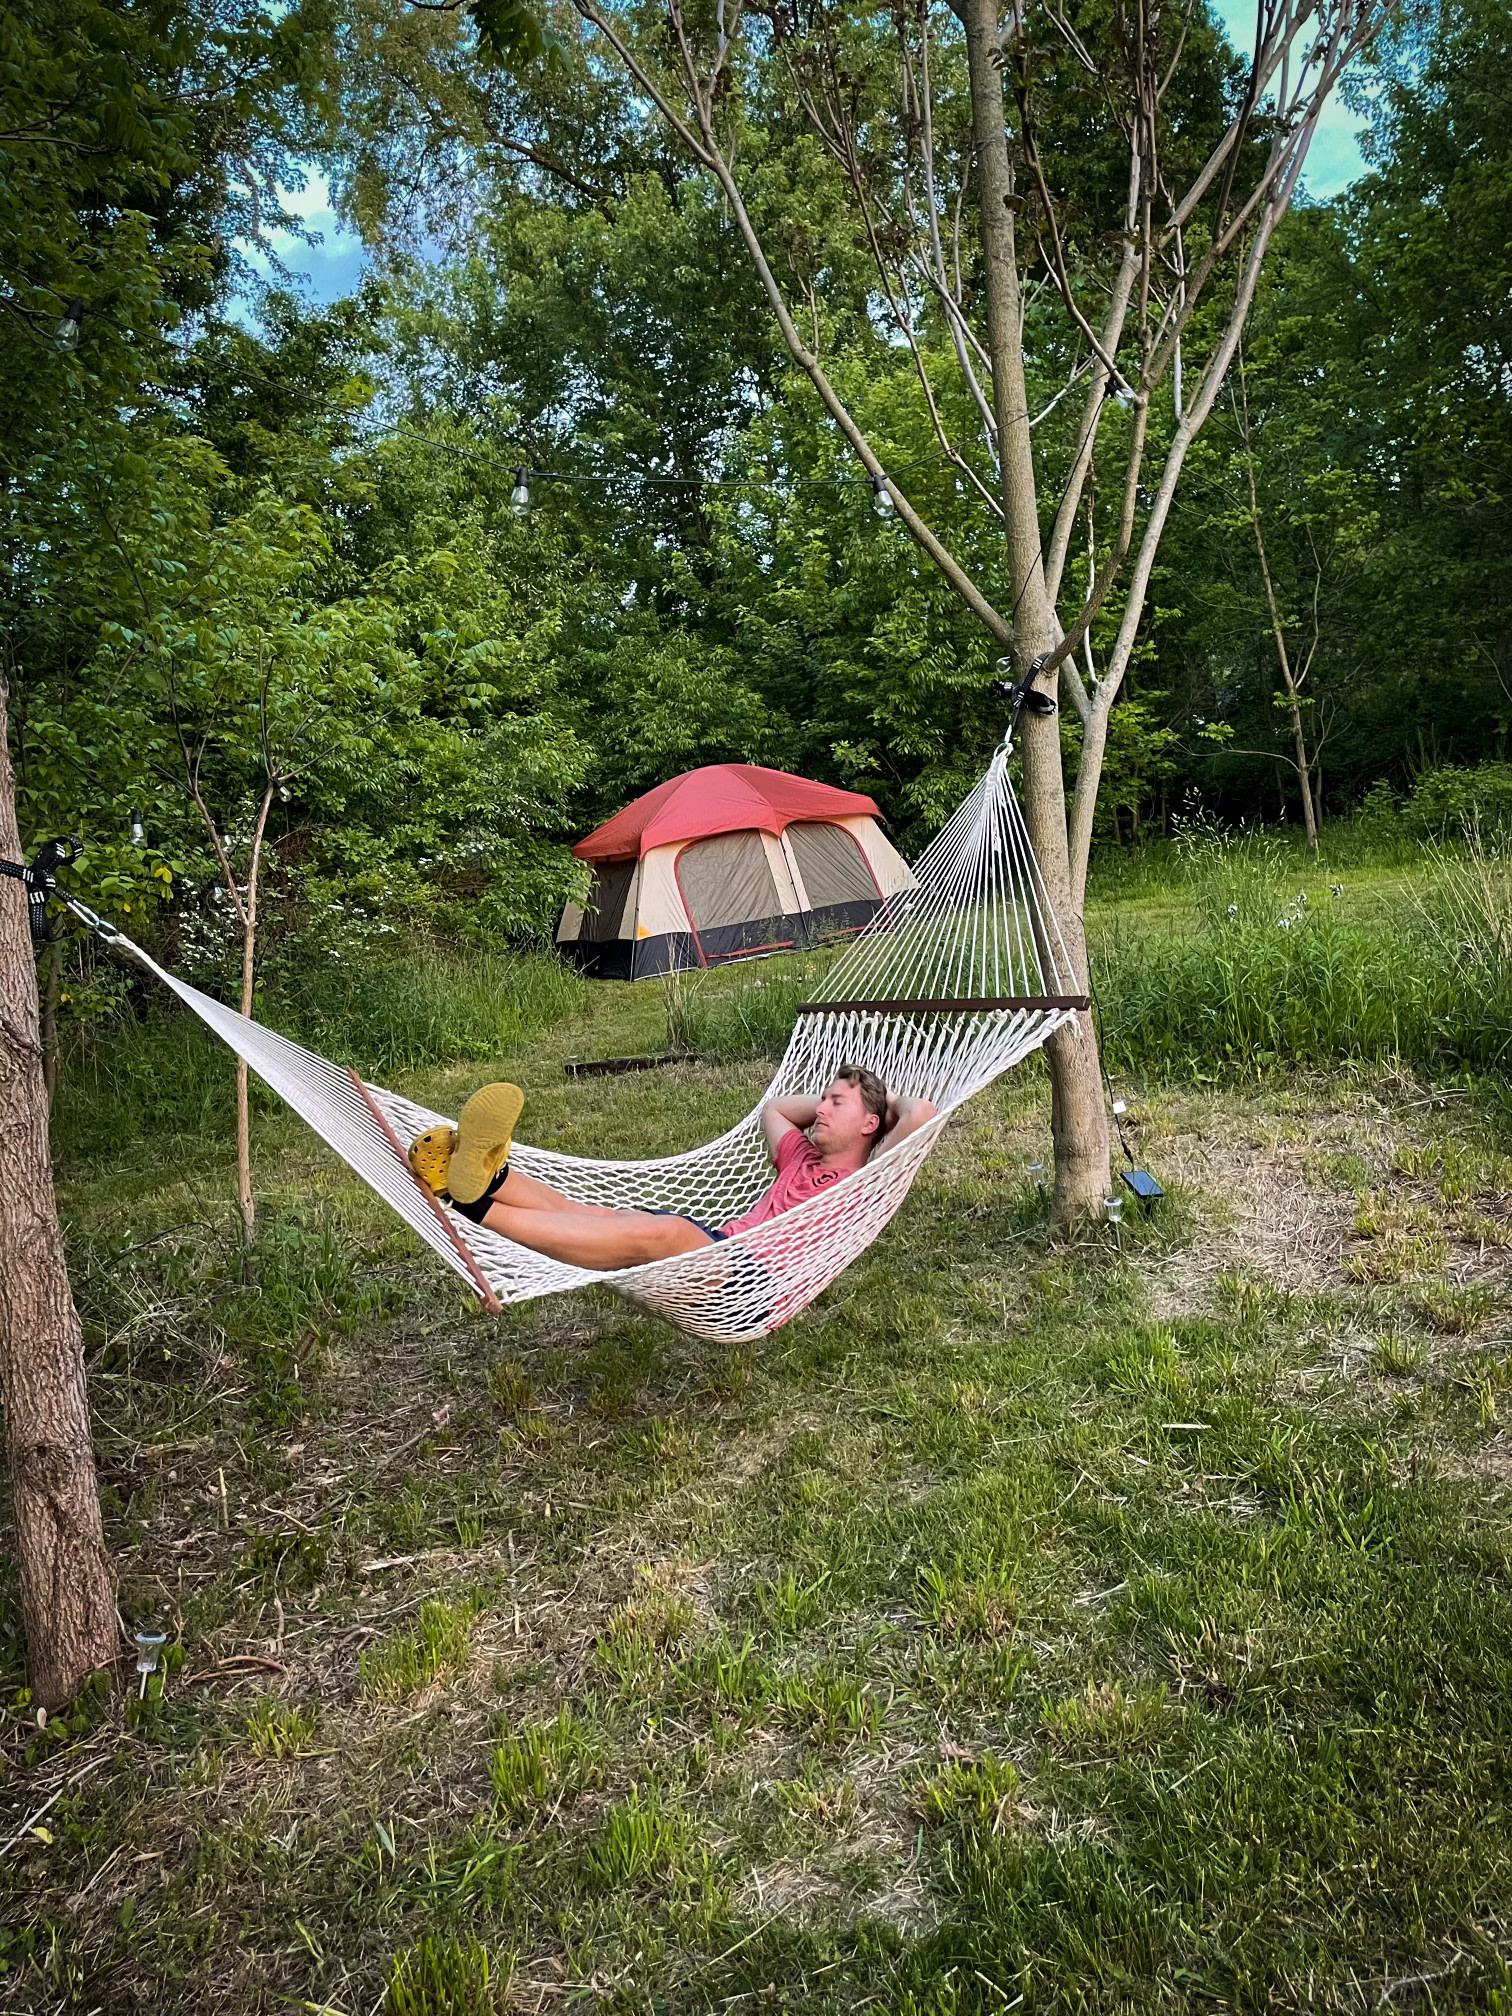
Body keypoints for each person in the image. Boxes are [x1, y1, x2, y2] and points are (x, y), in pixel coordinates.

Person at [406, 1065, 937, 1270]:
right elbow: (773, 1110)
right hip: (720, 1244)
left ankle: (469, 1203)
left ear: (871, 1126)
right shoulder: (799, 1153)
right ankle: (483, 1174)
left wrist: (882, 1100)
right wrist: (845, 1103)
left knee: (662, 1231)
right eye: (822, 1099)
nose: (819, 1109)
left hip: (756, 1282)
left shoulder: (866, 1176)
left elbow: (923, 1114)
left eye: (835, 1104)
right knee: (598, 1216)